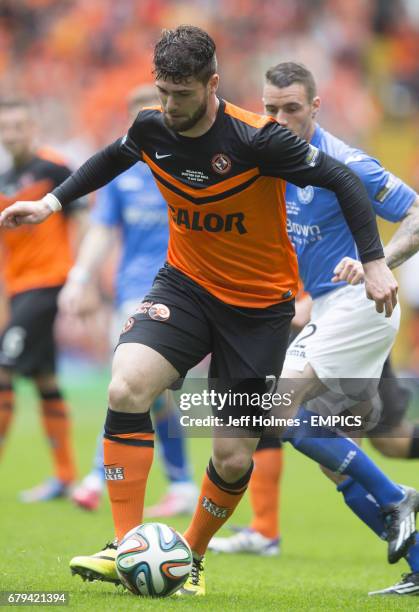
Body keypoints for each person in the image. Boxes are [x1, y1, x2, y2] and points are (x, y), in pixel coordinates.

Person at [0, 27, 413, 597]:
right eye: (162, 91)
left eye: (183, 94)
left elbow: (341, 178)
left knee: (233, 453)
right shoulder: (151, 126)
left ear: (212, 84)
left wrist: (373, 261)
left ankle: (188, 557)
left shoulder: (259, 139)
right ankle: (125, 546)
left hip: (258, 311)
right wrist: (49, 203)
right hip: (185, 288)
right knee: (126, 389)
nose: (170, 106)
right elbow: (112, 158)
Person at [209, 62, 419, 597]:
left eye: (291, 109)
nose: (277, 119)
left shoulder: (347, 162)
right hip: (324, 308)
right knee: (332, 454)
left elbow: (415, 212)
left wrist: (382, 262)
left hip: (359, 305)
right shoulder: (265, 158)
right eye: (270, 109)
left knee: (280, 410)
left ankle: (397, 497)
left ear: (316, 107)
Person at [59, 84, 198, 515]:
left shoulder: (190, 169)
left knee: (136, 387)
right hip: (133, 290)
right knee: (142, 389)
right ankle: (181, 482)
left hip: (180, 290)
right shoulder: (121, 175)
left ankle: (100, 474)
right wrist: (80, 277)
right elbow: (102, 229)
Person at [0, 98, 87, 501]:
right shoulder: (4, 176)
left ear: (32, 128)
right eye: (5, 128)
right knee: (44, 378)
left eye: (18, 126)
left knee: (3, 369)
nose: (11, 135)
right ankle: (65, 476)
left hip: (50, 282)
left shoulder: (53, 167)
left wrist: (82, 280)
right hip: (19, 287)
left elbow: (82, 216)